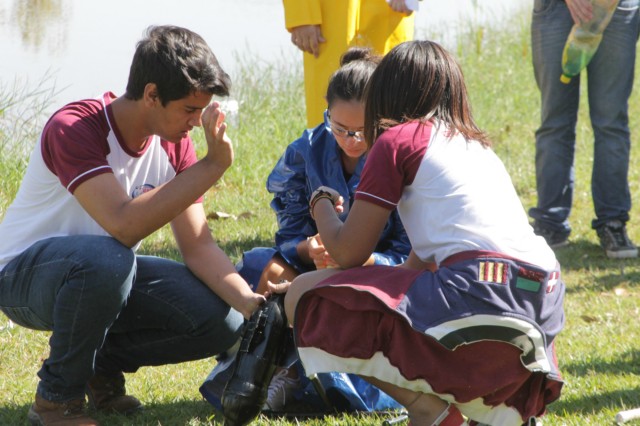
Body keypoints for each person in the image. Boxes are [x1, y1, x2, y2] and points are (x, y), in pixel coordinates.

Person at [270, 40, 566, 426]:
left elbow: (347, 254)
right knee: (399, 300)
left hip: (479, 289)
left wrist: (320, 203)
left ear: (386, 92)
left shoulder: (398, 140)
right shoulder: (476, 146)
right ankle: (487, 412)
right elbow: (418, 264)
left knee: (301, 294)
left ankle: (430, 409)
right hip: (543, 297)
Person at [0, 25, 264, 426]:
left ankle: (97, 364)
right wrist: (212, 166)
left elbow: (198, 247)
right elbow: (123, 225)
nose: (195, 122)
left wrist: (249, 305)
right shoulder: (75, 128)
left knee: (219, 319)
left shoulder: (174, 140)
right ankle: (55, 401)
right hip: (24, 276)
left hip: (103, 276)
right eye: (189, 110)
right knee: (110, 258)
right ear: (151, 94)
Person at [201, 46, 411, 415]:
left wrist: (364, 258)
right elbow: (291, 224)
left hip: (381, 275)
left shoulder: (398, 157)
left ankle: (317, 382)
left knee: (333, 297)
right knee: (260, 268)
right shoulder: (307, 150)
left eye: (362, 131)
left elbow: (410, 246)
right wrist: (307, 249)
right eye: (340, 128)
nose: (351, 140)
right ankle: (274, 372)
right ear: (326, 113)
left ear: (382, 120)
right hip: (314, 264)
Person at [529, 0, 639, 257]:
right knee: (554, 122)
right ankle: (549, 225)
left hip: (617, 7)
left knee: (612, 122)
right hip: (554, 7)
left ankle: (613, 223)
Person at [283, 0, 416, 128]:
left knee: (389, 107)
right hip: (330, 18)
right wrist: (302, 13)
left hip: (388, 13)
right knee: (328, 114)